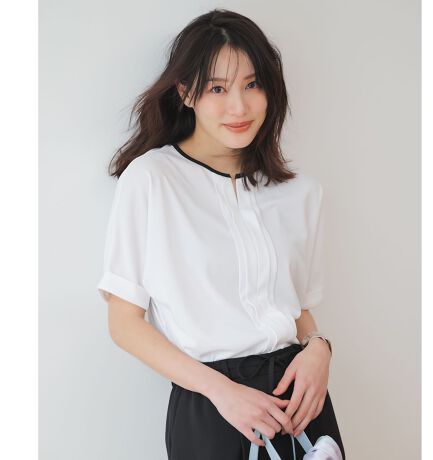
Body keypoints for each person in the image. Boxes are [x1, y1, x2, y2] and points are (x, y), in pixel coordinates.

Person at [96, 8, 346, 460]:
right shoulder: (152, 179)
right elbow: (124, 323)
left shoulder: (300, 193)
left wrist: (319, 349)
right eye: (217, 88)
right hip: (214, 407)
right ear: (185, 92)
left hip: (303, 401)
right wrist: (220, 391)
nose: (239, 107)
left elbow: (297, 310)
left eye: (253, 84)